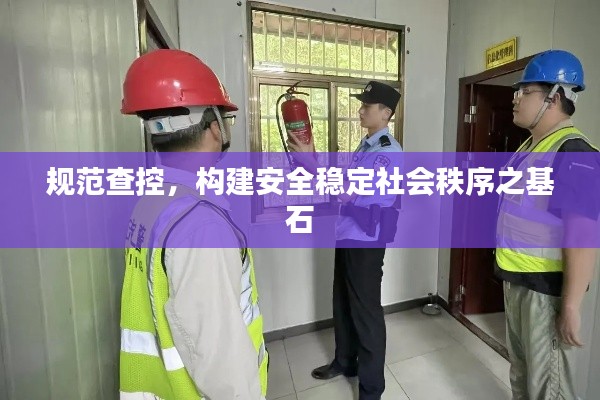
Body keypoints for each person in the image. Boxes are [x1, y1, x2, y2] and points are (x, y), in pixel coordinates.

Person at [118, 49, 268, 400]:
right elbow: (221, 363)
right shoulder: (201, 226)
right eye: (226, 119)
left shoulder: (152, 202)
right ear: (214, 127)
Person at [287, 81, 402, 400]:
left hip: (366, 240)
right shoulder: (365, 146)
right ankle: (345, 361)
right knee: (343, 302)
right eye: (361, 104)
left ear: (386, 113)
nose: (361, 110)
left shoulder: (388, 152)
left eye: (367, 105)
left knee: (366, 312)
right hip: (348, 233)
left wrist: (313, 167)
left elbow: (349, 193)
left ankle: (371, 389)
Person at [495, 49, 599, 399]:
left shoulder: (575, 152)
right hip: (518, 281)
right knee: (522, 374)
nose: (515, 98)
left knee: (549, 387)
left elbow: (583, 235)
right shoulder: (530, 147)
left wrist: (570, 306)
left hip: (545, 291)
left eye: (525, 91)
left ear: (554, 97)